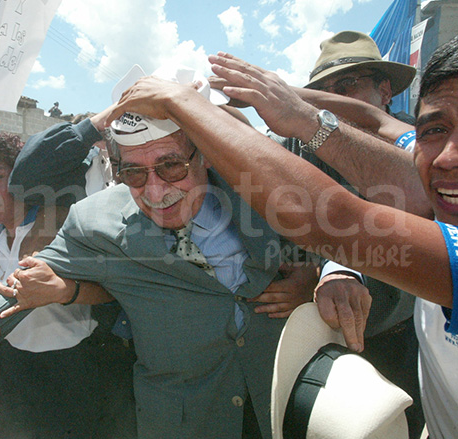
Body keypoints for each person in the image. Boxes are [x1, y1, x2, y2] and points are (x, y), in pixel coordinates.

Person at [107, 38, 458, 438]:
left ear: (386, 90)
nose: (447, 155)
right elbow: (373, 121)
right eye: (436, 128)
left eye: (350, 82)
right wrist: (289, 101)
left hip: (394, 346)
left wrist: (184, 104)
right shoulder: (416, 151)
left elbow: (329, 218)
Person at [0, 66, 290, 439]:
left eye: (172, 166)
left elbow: (332, 231)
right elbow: (10, 291)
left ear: (205, 154)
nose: (156, 192)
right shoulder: (95, 222)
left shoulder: (258, 188)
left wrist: (324, 276)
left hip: (278, 396)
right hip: (186, 421)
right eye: (134, 174)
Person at [267, 30, 424, 436]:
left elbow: (412, 233)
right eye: (322, 91)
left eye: (347, 85)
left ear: (385, 90)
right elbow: (280, 217)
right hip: (328, 347)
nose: (333, 98)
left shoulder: (421, 146)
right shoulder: (301, 145)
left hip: (410, 338)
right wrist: (307, 271)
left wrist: (335, 271)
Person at [0, 131, 111, 439]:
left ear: (22, 178)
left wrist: (63, 290)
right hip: (7, 370)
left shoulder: (61, 229)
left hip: (73, 368)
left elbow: (110, 291)